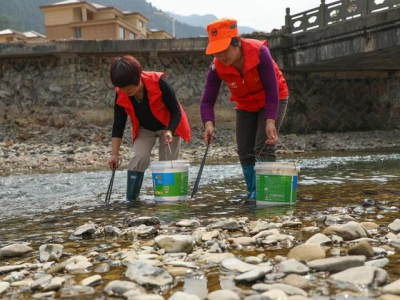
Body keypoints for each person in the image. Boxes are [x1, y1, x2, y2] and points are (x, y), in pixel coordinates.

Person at [200, 18, 289, 200]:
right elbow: (207, 100)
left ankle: (267, 191)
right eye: (216, 52)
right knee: (244, 149)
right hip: (245, 104)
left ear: (237, 42)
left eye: (224, 50)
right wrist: (208, 123)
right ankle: (253, 191)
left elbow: (272, 90)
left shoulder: (259, 52)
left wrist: (270, 121)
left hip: (273, 99)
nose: (221, 56)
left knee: (263, 146)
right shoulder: (217, 66)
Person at [109, 55, 191, 201]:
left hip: (168, 126)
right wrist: (114, 154)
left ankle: (167, 201)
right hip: (145, 128)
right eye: (122, 88)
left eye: (129, 87)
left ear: (137, 77)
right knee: (140, 157)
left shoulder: (158, 81)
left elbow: (176, 110)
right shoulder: (120, 92)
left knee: (167, 164)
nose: (126, 91)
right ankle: (132, 200)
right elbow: (118, 124)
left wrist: (170, 130)